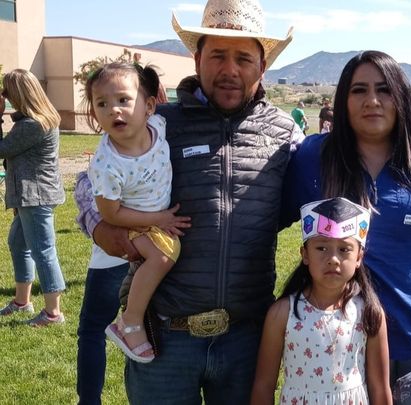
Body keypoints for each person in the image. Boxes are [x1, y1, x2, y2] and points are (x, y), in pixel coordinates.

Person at [76, 0, 301, 402]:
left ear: (262, 67)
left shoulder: (284, 134)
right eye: (217, 55)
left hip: (245, 339)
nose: (230, 69)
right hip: (165, 337)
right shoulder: (161, 124)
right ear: (197, 60)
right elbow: (85, 183)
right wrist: (101, 228)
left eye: (243, 59)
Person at [282, 50, 411, 385]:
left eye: (384, 90)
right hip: (339, 350)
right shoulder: (314, 158)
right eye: (359, 90)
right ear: (343, 100)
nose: (372, 101)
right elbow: (262, 217)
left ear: (402, 98)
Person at [84, 62, 189, 363]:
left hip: (153, 220)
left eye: (123, 100)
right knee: (162, 257)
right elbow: (111, 215)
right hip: (132, 222)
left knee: (166, 253)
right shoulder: (107, 165)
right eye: (102, 104)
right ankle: (129, 321)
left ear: (149, 107)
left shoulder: (158, 127)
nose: (114, 110)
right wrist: (158, 219)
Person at [251, 197, 392, 404]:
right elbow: (264, 385)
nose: (333, 259)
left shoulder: (369, 313)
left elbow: (380, 387)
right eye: (321, 248)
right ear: (305, 254)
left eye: (344, 249)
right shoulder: (282, 314)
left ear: (359, 257)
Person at [0, 69, 66, 327]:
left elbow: (2, 149)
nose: (4, 95)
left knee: (43, 251)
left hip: (35, 195)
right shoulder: (35, 120)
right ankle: (22, 302)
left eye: (7, 91)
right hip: (30, 194)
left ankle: (53, 313)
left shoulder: (33, 124)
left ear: (19, 93)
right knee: (18, 243)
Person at [74, 171, 130, 405]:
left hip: (111, 255)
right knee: (148, 332)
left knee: (92, 330)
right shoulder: (161, 153)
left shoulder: (109, 156)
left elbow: (88, 186)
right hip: (153, 249)